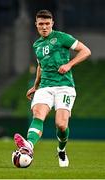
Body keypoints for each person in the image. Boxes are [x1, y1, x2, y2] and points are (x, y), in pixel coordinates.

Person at [14, 9, 91, 167]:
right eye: (41, 24)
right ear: (36, 24)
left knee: (61, 125)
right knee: (38, 114)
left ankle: (61, 150)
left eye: (47, 24)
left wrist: (69, 64)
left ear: (52, 24)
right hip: (45, 87)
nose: (44, 27)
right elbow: (40, 66)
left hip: (65, 87)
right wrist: (35, 86)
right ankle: (29, 146)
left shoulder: (62, 37)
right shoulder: (37, 44)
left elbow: (86, 51)